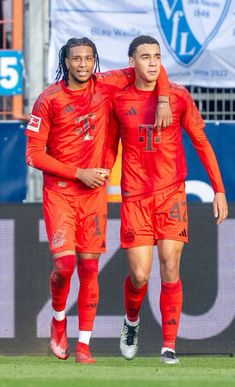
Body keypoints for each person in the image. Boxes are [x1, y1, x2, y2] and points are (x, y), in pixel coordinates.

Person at [25, 37, 172, 364]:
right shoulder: (48, 99)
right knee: (64, 266)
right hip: (61, 191)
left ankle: (84, 346)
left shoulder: (106, 85)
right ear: (66, 61)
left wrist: (162, 99)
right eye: (76, 59)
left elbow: (150, 67)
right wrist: (79, 172)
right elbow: (33, 155)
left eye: (88, 59)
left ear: (95, 61)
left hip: (92, 196)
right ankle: (59, 320)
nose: (82, 65)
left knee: (89, 267)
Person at [105, 35, 228, 364]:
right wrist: (100, 172)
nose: (153, 62)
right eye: (145, 56)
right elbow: (108, 145)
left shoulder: (177, 97)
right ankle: (132, 321)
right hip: (135, 197)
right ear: (132, 62)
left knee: (170, 265)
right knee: (140, 275)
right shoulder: (118, 99)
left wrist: (218, 189)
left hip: (171, 192)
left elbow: (201, 142)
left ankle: (168, 346)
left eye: (157, 56)